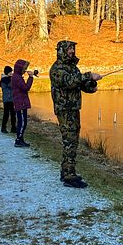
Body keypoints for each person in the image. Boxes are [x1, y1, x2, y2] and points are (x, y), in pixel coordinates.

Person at [49, 40, 102, 188]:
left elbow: (80, 85)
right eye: (69, 49)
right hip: (65, 111)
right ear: (61, 51)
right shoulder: (57, 69)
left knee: (73, 141)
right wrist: (89, 75)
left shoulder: (73, 68)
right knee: (69, 141)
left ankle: (67, 171)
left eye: (73, 48)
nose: (72, 51)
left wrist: (91, 85)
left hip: (73, 109)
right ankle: (68, 176)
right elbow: (68, 82)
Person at [12, 59, 35, 148]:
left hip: (21, 102)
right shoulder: (17, 77)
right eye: (24, 68)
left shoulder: (17, 76)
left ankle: (20, 139)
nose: (25, 70)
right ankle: (18, 140)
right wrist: (31, 77)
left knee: (23, 121)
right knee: (22, 122)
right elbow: (26, 88)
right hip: (20, 102)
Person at [0, 66, 17, 134]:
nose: (12, 73)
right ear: (7, 72)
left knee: (13, 113)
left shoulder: (7, 78)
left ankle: (13, 128)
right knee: (6, 114)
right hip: (7, 99)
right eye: (10, 72)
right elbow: (10, 85)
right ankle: (3, 128)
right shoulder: (4, 80)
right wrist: (14, 79)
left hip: (11, 98)